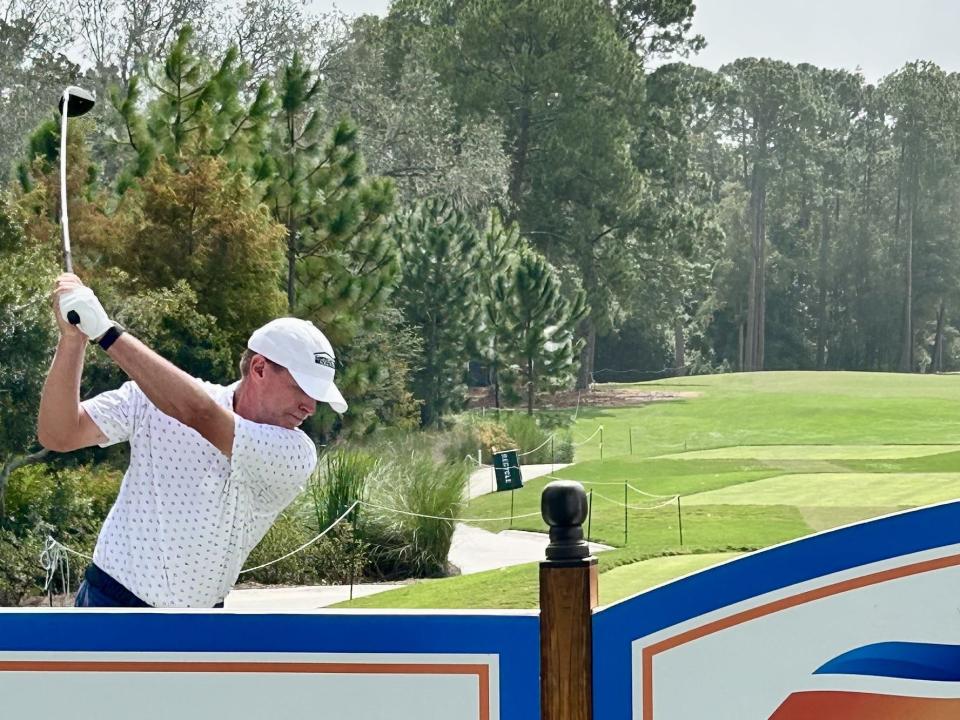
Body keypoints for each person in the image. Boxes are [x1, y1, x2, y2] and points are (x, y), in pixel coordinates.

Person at [37, 273, 347, 608]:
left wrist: (106, 332)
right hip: (110, 604)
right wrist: (74, 340)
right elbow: (59, 434)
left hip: (200, 626)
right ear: (259, 368)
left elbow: (200, 414)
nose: (311, 407)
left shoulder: (296, 453)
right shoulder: (153, 397)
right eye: (302, 389)